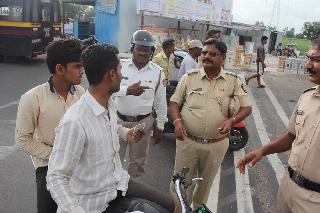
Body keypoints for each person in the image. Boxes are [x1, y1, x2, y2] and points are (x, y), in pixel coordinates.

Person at [46, 44, 174, 213]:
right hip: (95, 200)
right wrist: (75, 209)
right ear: (111, 74)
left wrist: (126, 132)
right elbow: (56, 177)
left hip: (119, 182)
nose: (123, 76)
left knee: (171, 205)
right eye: (120, 70)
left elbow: (108, 127)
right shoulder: (74, 122)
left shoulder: (109, 103)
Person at [237, 38, 320, 213]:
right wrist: (262, 151)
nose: (307, 65)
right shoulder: (306, 97)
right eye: (308, 58)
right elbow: (291, 137)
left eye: (316, 60)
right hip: (288, 186)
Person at [169, 38, 252, 212]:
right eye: (204, 53)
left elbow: (247, 107)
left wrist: (232, 121)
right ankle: (179, 210)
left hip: (216, 144)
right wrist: (177, 121)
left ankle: (199, 208)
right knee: (180, 183)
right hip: (188, 142)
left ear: (223, 58)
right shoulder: (189, 78)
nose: (206, 56)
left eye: (212, 54)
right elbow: (174, 103)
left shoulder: (234, 81)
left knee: (205, 184)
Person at [15, 39, 85, 213]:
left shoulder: (82, 94)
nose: (82, 71)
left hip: (80, 164)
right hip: (48, 165)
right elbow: (22, 140)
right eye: (77, 66)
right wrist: (57, 155)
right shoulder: (32, 98)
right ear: (59, 69)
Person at [114, 30, 167, 181]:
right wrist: (127, 91)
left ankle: (132, 195)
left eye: (147, 49)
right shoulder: (120, 67)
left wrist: (161, 126)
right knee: (113, 159)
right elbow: (109, 92)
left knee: (137, 163)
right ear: (132, 49)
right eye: (139, 48)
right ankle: (113, 192)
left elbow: (160, 101)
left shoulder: (157, 73)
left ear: (151, 52)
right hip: (118, 121)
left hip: (142, 124)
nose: (143, 53)